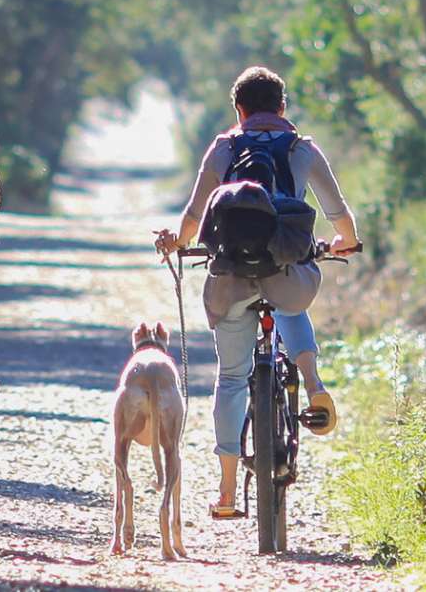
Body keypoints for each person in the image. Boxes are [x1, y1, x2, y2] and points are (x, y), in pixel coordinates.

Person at [155, 66, 359, 518]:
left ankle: (227, 491)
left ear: (239, 109)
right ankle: (312, 382)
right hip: (286, 273)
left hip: (230, 276)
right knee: (289, 293)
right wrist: (344, 240)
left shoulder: (224, 147)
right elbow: (337, 212)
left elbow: (193, 215)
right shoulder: (302, 148)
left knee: (231, 377)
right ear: (282, 107)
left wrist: (180, 241)